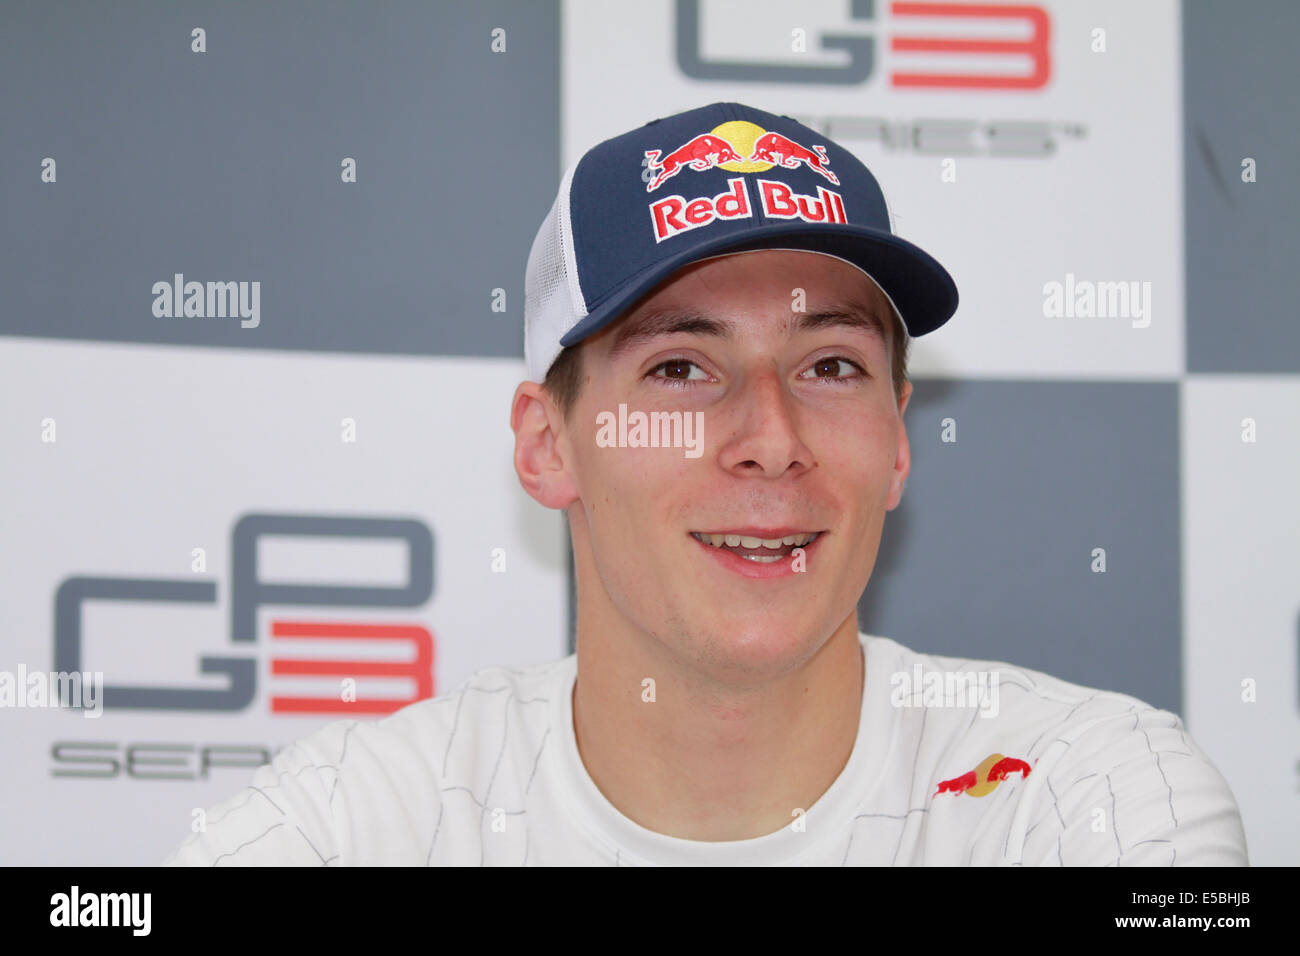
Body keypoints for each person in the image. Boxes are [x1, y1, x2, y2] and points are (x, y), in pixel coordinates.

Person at [163, 102, 1247, 866]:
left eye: (831, 366)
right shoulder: (351, 828)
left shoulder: (1083, 794)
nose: (771, 440)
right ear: (547, 445)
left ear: (898, 442)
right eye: (681, 368)